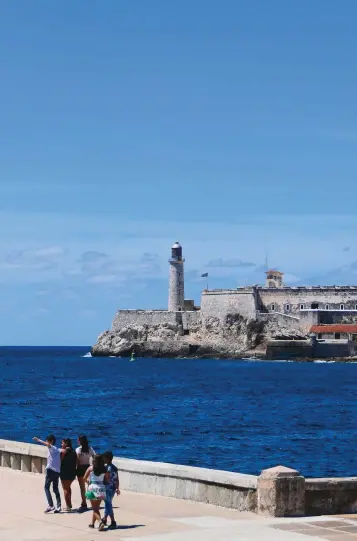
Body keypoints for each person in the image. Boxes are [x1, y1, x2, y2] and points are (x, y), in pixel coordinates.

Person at [33, 434, 61, 513]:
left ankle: (51, 505)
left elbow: (48, 445)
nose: (46, 442)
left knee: (46, 488)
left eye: (47, 441)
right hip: (57, 471)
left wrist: (38, 440)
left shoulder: (52, 448)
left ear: (51, 441)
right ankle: (59, 506)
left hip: (51, 471)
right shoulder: (57, 449)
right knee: (55, 489)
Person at [83, 454, 109, 530]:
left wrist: (88, 482)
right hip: (101, 488)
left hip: (93, 488)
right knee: (96, 508)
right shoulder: (105, 469)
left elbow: (84, 478)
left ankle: (100, 522)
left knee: (95, 509)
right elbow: (107, 480)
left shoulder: (91, 468)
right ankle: (92, 524)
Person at [76, 434, 95, 511]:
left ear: (80, 441)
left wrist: (75, 469)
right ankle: (92, 500)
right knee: (89, 484)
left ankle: (84, 503)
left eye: (78, 440)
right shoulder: (90, 448)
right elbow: (94, 456)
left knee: (82, 487)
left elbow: (77, 461)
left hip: (80, 468)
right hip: (87, 467)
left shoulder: (78, 449)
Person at [102, 451, 120, 530]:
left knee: (108, 504)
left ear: (107, 459)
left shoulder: (108, 468)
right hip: (112, 488)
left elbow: (107, 479)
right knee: (107, 503)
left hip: (108, 488)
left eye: (104, 458)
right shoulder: (114, 468)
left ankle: (113, 521)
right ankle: (104, 519)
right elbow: (117, 479)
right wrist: (117, 488)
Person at [60, 438, 77, 511]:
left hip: (65, 472)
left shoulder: (64, 452)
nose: (61, 444)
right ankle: (69, 504)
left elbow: (60, 460)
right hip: (72, 472)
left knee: (65, 489)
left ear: (66, 443)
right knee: (68, 487)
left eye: (62, 443)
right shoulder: (73, 451)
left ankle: (68, 506)